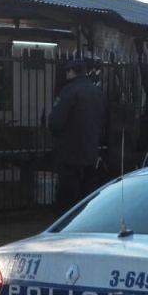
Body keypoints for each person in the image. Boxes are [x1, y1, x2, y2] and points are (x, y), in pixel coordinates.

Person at [48, 59, 105, 211]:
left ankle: (68, 221)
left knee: (68, 197)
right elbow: (102, 120)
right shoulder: (97, 91)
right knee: (87, 196)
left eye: (68, 71)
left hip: (69, 153)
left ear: (73, 72)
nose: (66, 74)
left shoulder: (68, 91)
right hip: (90, 151)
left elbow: (55, 122)